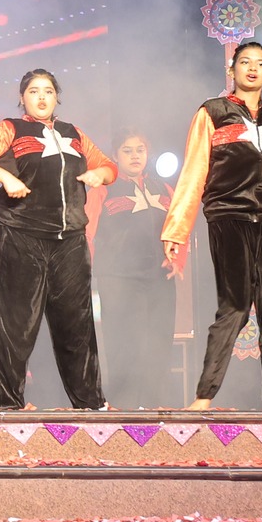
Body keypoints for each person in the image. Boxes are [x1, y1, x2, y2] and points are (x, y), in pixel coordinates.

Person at [0, 68, 115, 411]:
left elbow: (108, 167)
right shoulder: (11, 129)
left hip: (69, 239)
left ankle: (90, 403)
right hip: (21, 235)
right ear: (22, 97)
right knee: (13, 324)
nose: (42, 97)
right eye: (33, 91)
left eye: (48, 91)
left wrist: (98, 174)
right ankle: (8, 404)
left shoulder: (74, 133)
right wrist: (5, 177)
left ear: (57, 97)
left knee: (77, 325)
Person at [162, 40, 262, 411]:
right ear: (232, 69)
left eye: (260, 64)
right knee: (235, 306)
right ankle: (204, 396)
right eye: (245, 62)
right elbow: (194, 171)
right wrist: (176, 230)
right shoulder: (212, 112)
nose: (252, 68)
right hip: (228, 215)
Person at [91, 129, 183, 407]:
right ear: (115, 155)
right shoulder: (103, 189)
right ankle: (124, 407)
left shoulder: (163, 188)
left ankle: (157, 406)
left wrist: (177, 260)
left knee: (159, 342)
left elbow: (179, 229)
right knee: (124, 343)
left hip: (159, 277)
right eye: (127, 150)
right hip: (118, 278)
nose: (134, 156)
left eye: (140, 150)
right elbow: (87, 231)